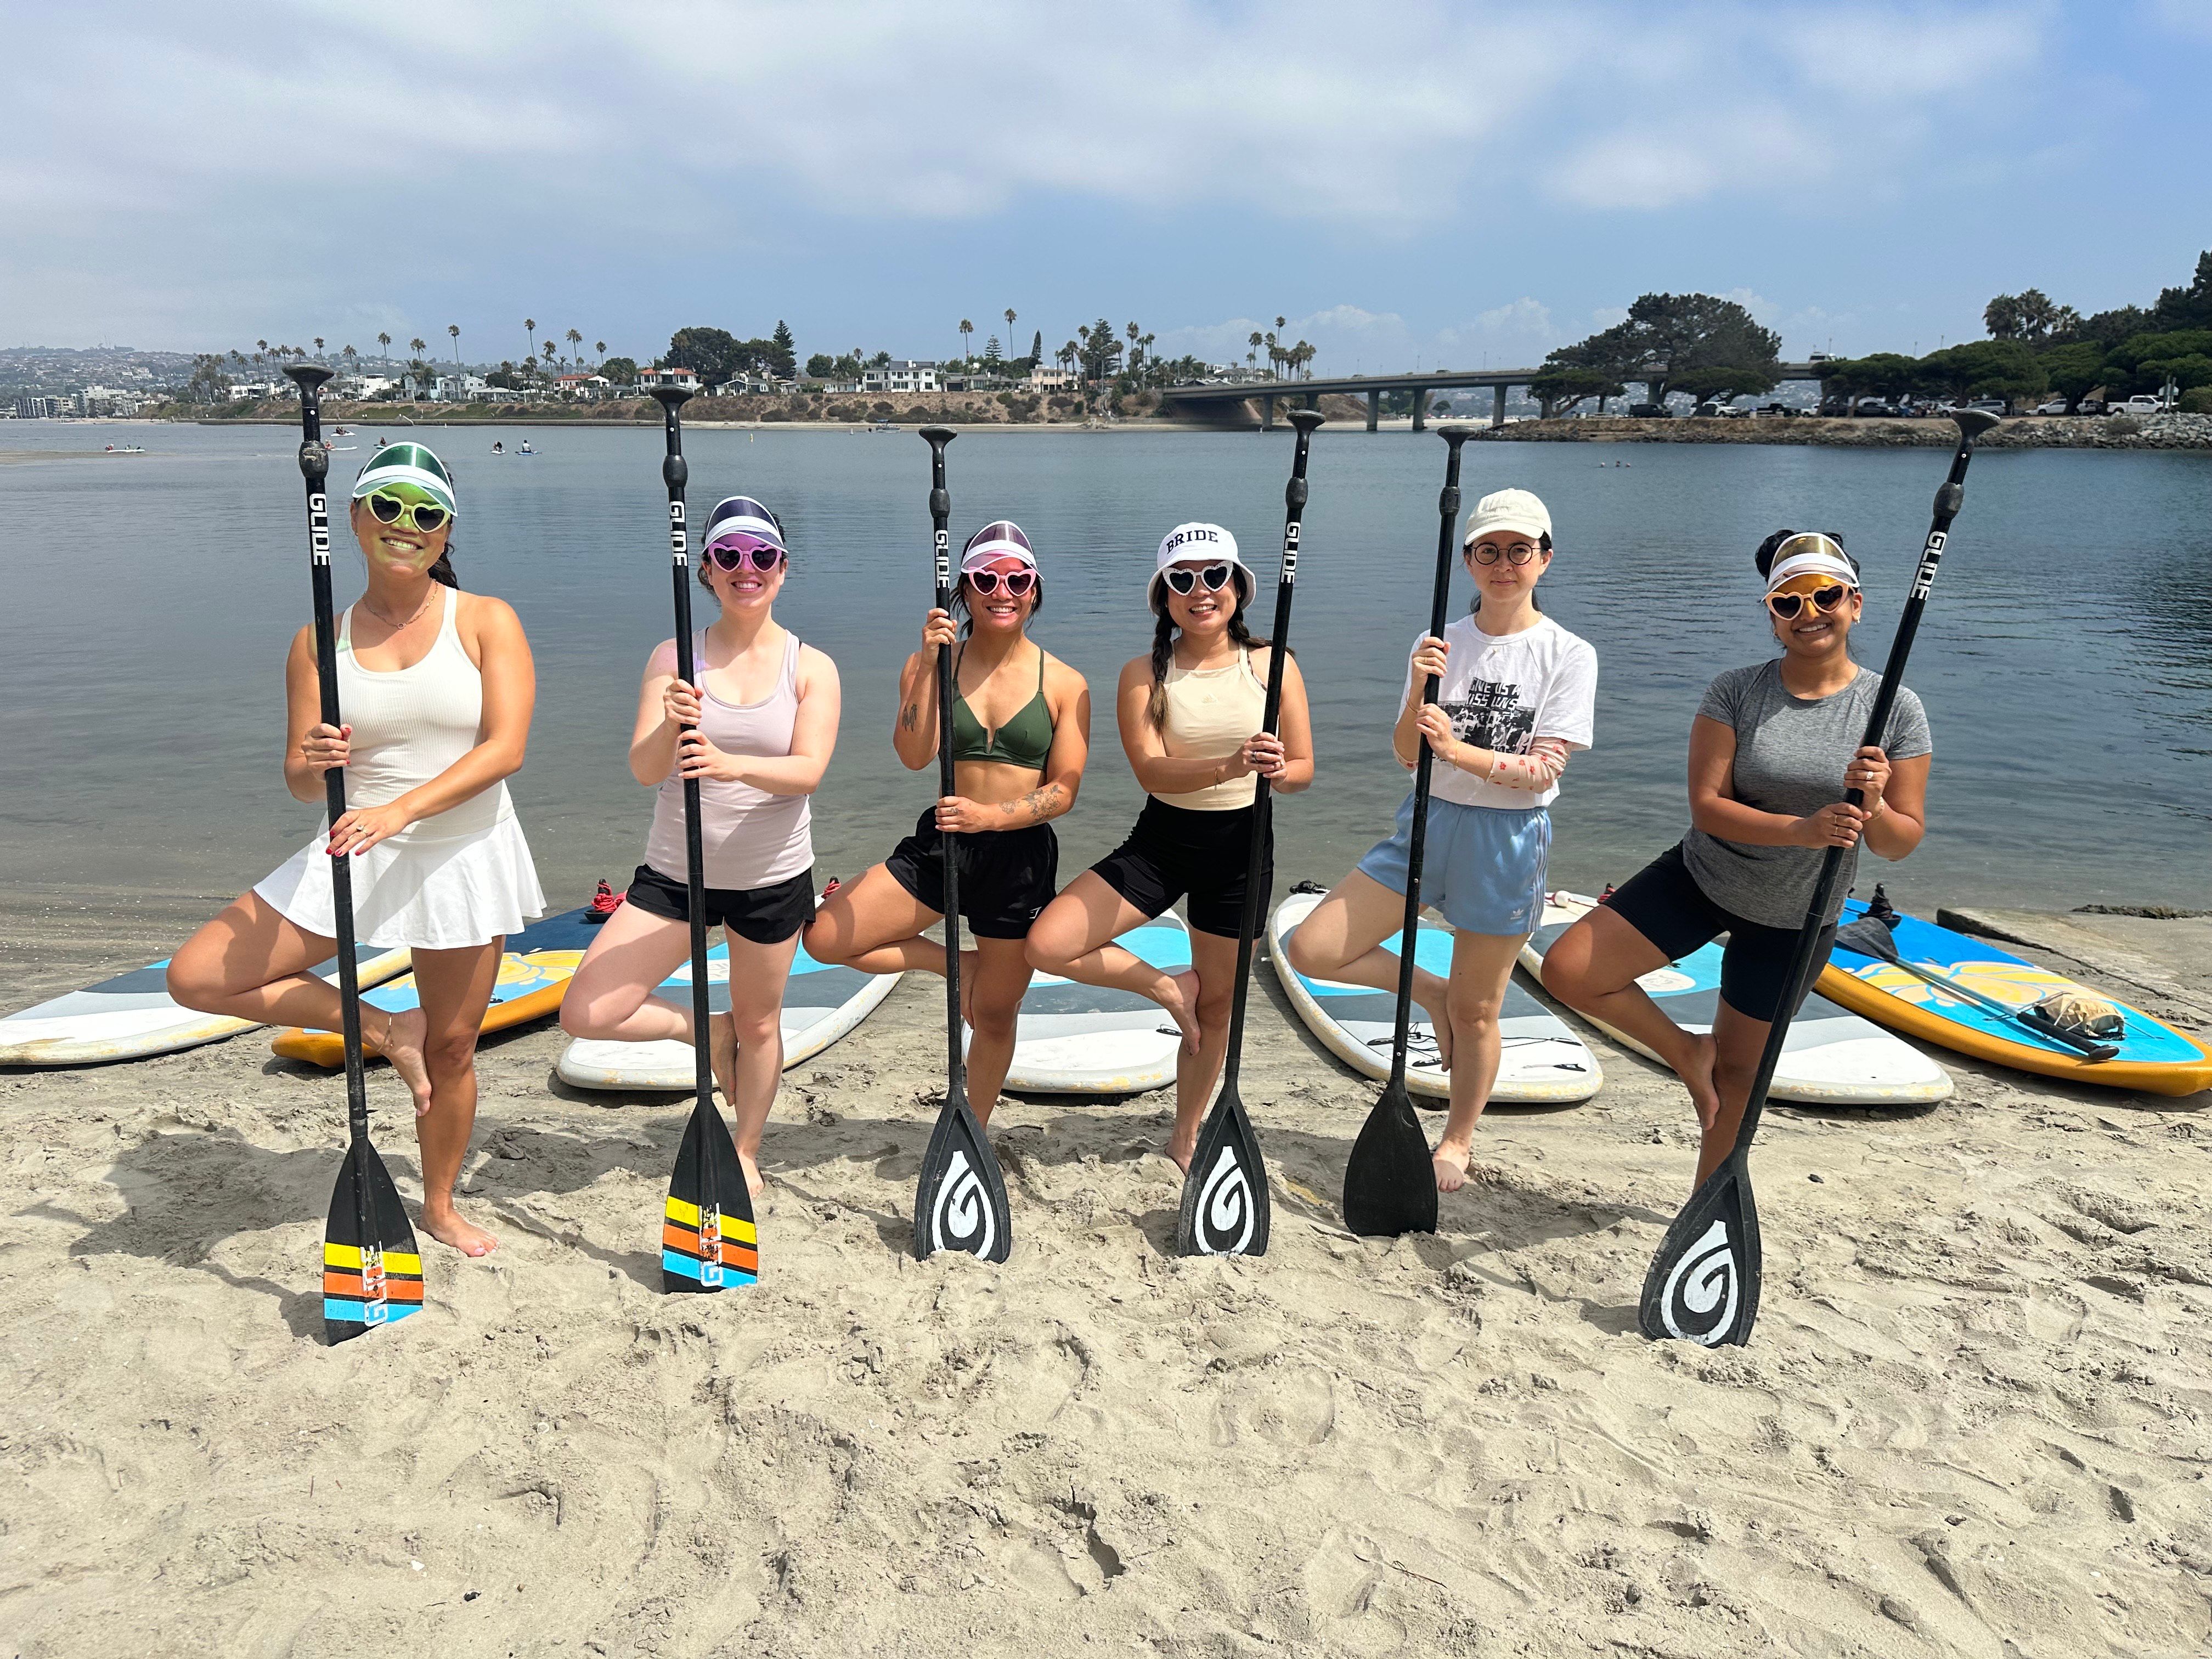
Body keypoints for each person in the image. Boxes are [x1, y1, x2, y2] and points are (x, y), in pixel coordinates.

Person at [167, 443, 543, 1257]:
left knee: (452, 1046)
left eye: (427, 513)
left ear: (446, 533)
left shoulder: (486, 620)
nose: (406, 526)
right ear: (355, 518)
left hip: (460, 848)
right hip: (356, 842)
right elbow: (301, 781)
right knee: (198, 975)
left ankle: (440, 1206)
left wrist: (402, 808)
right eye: (388, 507)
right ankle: (381, 1030)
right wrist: (316, 759)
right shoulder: (316, 641)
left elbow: (505, 748)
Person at [1540, 530, 1931, 1187]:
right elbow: (1707, 805)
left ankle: (1708, 1202)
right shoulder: (1736, 691)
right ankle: (1686, 1052)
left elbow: (1899, 840)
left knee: (1740, 1077)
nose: (1810, 613)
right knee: (1569, 970)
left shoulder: (1895, 709)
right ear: (1772, 614)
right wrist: (1801, 829)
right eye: (1789, 602)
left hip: (1796, 917)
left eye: (1826, 596)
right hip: (1703, 878)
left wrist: (1881, 801)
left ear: (1855, 605)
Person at [1282, 489, 1596, 1192]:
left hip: (1508, 839)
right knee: (1315, 946)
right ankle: (1428, 992)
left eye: (1520, 550)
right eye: (1489, 550)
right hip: (1425, 820)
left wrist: (1456, 751)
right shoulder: (1439, 642)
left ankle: (1457, 1138)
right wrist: (1423, 691)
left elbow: (1543, 769)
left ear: (1545, 558)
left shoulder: (1568, 654)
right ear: (1469, 560)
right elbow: (1404, 752)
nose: (1504, 564)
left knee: (1478, 1008)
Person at [560, 497, 839, 1197]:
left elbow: (807, 772)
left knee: (762, 1021)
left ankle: (746, 1148)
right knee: (587, 1011)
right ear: (708, 570)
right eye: (730, 557)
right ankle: (703, 1031)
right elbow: (646, 769)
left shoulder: (813, 667)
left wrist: (727, 763)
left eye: (763, 557)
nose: (748, 570)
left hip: (773, 877)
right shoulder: (675, 656)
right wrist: (668, 721)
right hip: (676, 873)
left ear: (783, 569)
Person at [1026, 524, 1313, 1170]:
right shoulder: (1143, 673)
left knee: (1219, 1008)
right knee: (1049, 940)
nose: (1200, 591)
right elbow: (1151, 771)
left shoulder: (1274, 663)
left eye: (1215, 576)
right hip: (1162, 842)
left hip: (1242, 848)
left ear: (1238, 586)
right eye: (1182, 580)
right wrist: (1230, 763)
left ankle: (1185, 1134)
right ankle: (1167, 988)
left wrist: (1275, 771)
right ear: (1164, 597)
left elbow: (1303, 772)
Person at [804, 522, 1088, 1122]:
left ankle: (973, 1127)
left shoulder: (1065, 683)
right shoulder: (931, 663)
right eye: (986, 578)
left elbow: (1063, 790)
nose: (1001, 591)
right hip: (943, 844)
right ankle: (957, 965)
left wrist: (994, 815)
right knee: (827, 937)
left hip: (1018, 858)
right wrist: (929, 668)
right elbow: (912, 755)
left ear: (1034, 589)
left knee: (994, 1015)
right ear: (964, 589)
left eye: (1017, 579)